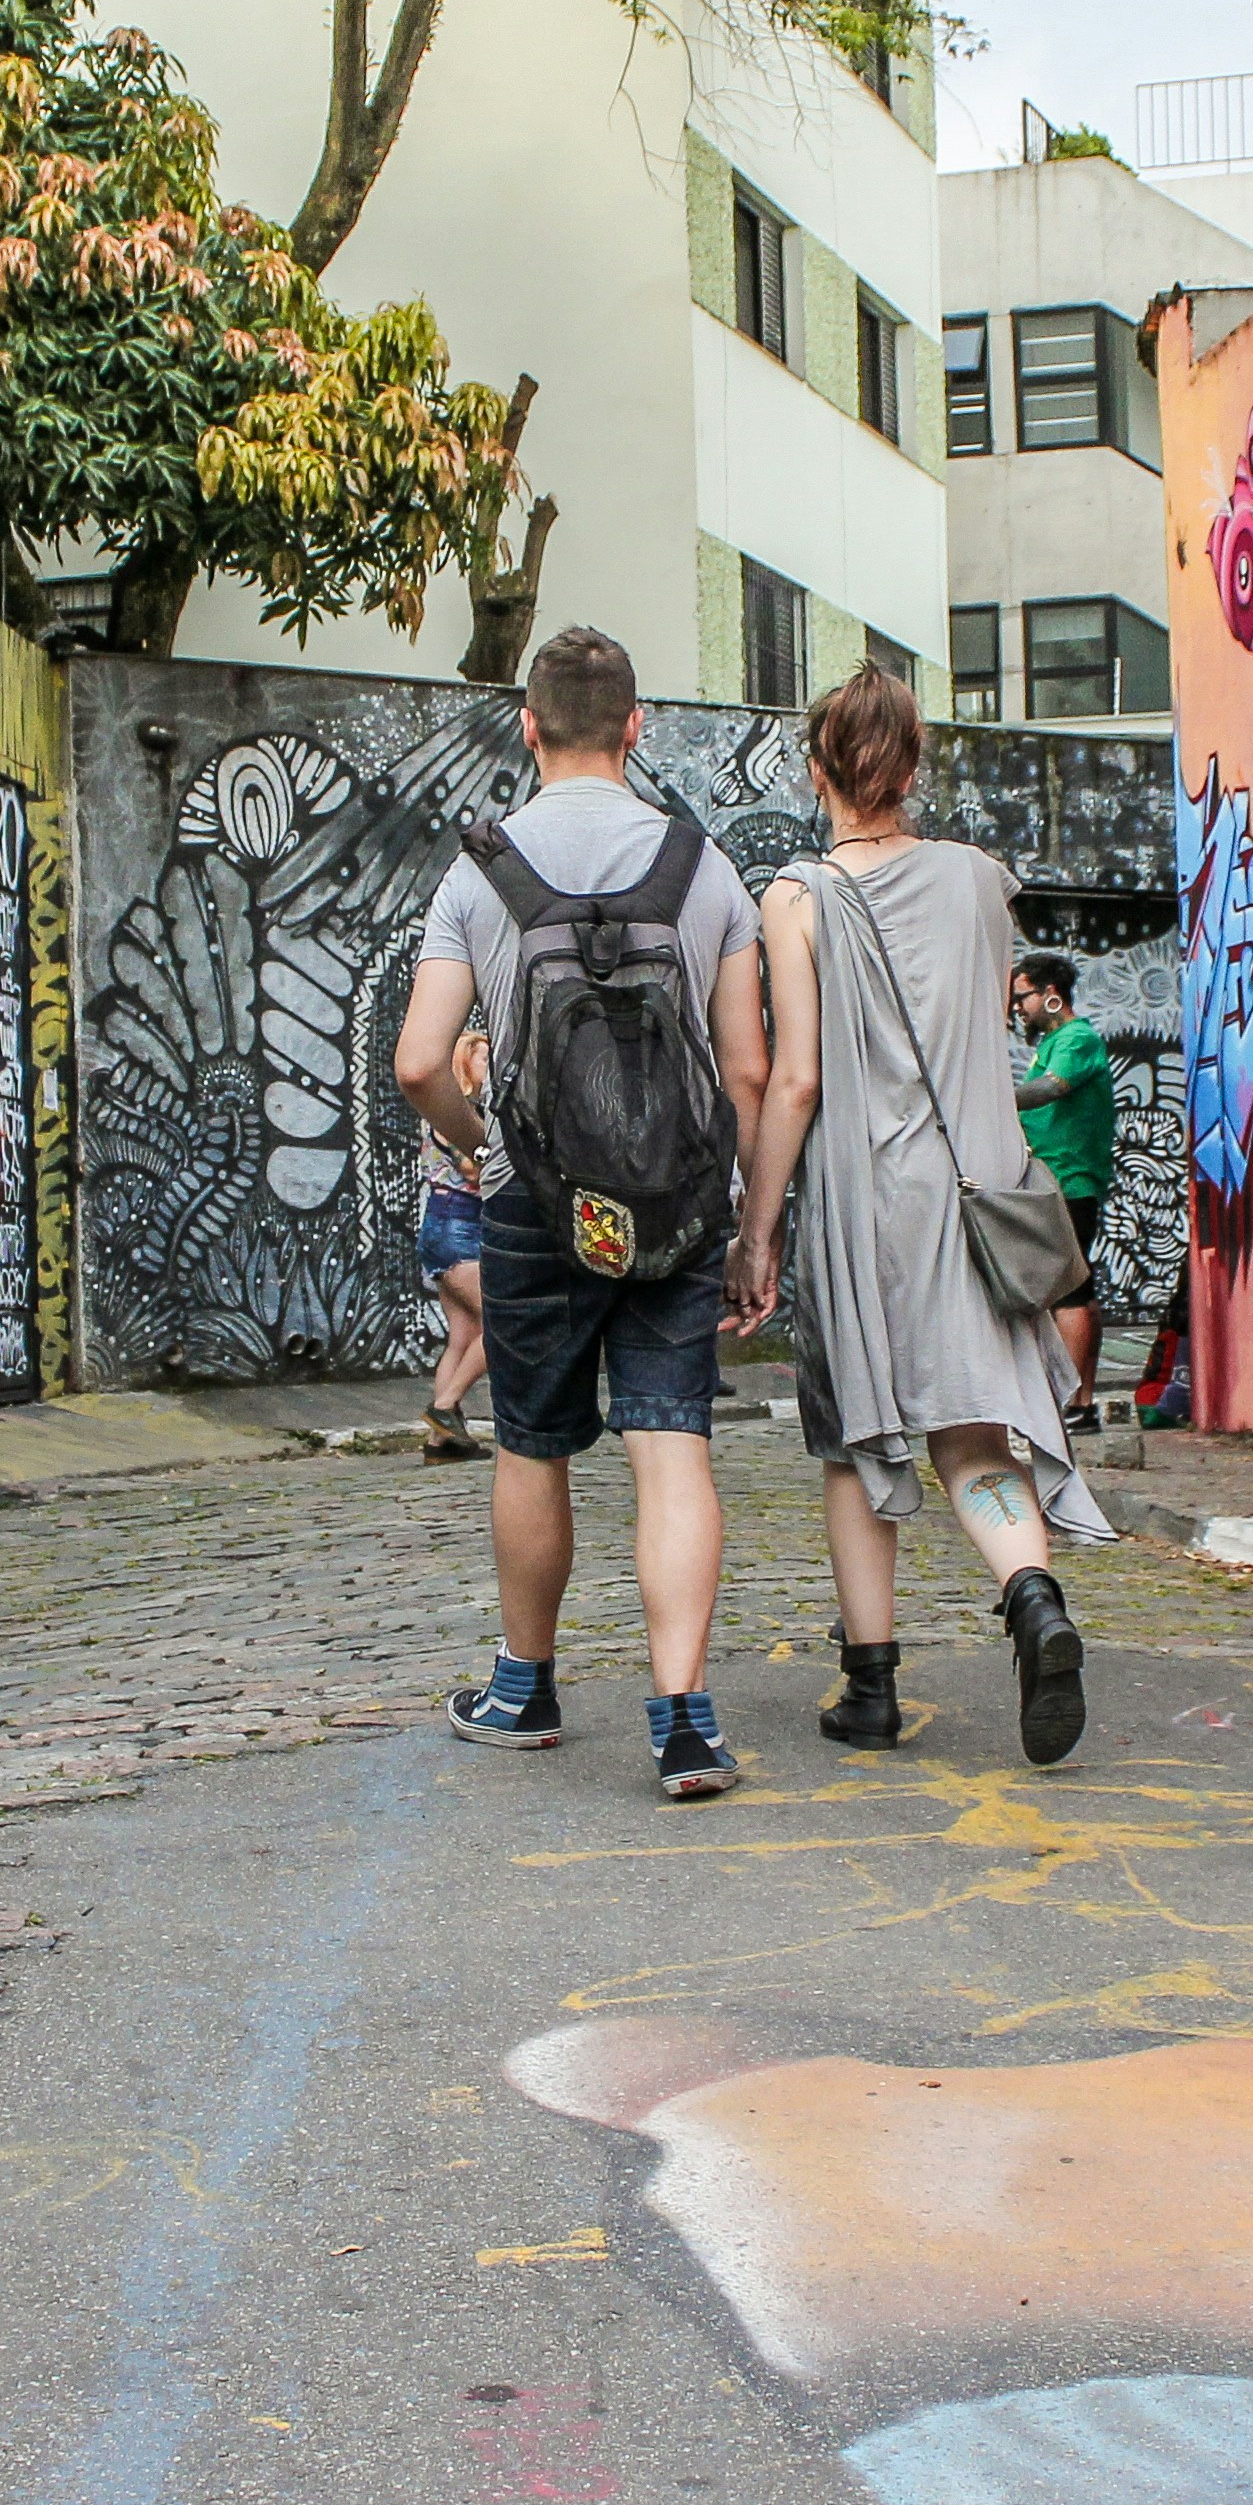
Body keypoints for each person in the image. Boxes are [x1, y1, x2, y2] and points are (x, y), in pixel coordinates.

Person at [393, 628, 769, 1802]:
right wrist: (751, 1220)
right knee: (672, 1448)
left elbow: (417, 1063)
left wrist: (487, 1149)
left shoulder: (479, 872)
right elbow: (748, 1070)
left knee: (533, 1443)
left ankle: (525, 1687)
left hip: (537, 1209)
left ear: (529, 726)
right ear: (637, 726)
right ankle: (686, 1720)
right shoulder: (704, 866)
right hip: (676, 1207)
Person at [736, 666, 1106, 1764]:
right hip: (978, 1188)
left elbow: (796, 1079)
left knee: (861, 1439)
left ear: (818, 770)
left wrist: (758, 1229)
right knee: (976, 1426)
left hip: (867, 1196)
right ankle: (1031, 1595)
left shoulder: (793, 897)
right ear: (914, 766)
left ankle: (871, 1690)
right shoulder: (983, 881)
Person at [1011, 952, 1116, 1415]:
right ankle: (1079, 1400)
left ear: (1050, 995)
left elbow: (1052, 1089)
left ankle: (1075, 1403)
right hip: (1055, 1178)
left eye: (1022, 998)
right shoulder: (1055, 1041)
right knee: (1076, 1285)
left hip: (1070, 1179)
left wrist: (991, 1097)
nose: (1018, 1008)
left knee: (1069, 1290)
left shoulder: (1077, 1038)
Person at [416, 1028, 496, 1460]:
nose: (491, 1067)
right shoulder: (454, 1113)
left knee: (464, 1335)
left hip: (449, 1224)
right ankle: (444, 1408)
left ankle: (441, 1443)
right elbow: (474, 1171)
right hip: (457, 1225)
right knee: (503, 1321)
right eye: (484, 1060)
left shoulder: (470, 1111)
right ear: (465, 1064)